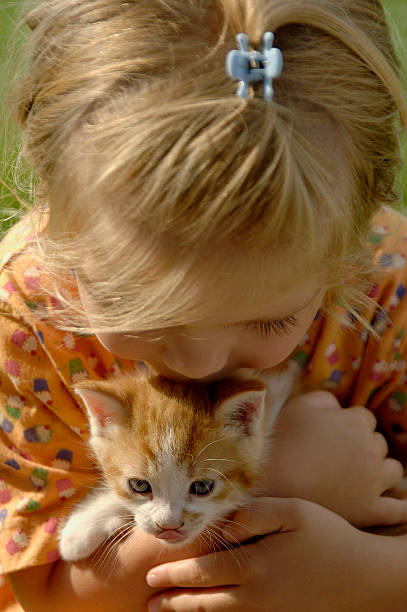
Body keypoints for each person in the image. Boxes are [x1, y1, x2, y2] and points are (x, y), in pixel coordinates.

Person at [1, 0, 407, 609]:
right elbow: (42, 595)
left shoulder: (389, 294)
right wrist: (279, 482)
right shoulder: (28, 322)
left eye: (270, 319)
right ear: (64, 239)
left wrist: (369, 575)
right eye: (142, 313)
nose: (197, 360)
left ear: (344, 261)